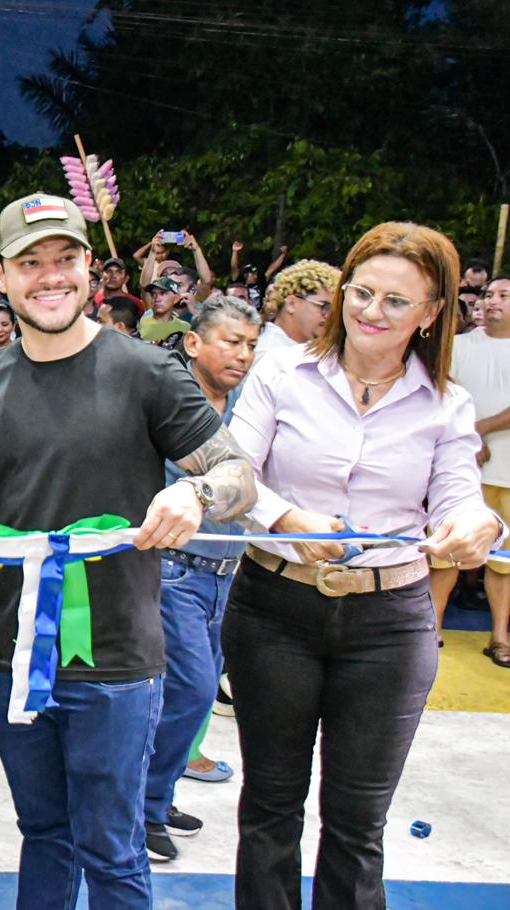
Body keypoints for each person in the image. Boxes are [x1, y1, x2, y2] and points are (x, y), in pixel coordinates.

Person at [0, 192, 256, 910]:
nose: (50, 276)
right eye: (31, 263)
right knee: (44, 833)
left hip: (118, 659)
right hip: (14, 654)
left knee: (112, 848)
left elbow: (236, 473)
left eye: (64, 259)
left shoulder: (147, 371)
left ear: (90, 267)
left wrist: (195, 497)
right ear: (0, 274)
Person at [224, 222, 504, 909]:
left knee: (356, 822)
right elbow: (232, 471)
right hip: (273, 613)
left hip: (390, 626)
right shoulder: (279, 373)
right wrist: (287, 519)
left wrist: (475, 526)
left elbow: (460, 500)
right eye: (361, 293)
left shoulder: (447, 404)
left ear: (433, 313)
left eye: (395, 302)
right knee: (270, 806)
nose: (370, 313)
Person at [143, 295, 261, 864]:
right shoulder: (166, 399)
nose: (243, 355)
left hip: (228, 573)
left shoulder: (251, 405)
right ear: (194, 342)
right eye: (231, 342)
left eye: (251, 345)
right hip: (173, 571)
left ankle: (156, 800)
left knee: (190, 696)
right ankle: (141, 808)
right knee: (188, 691)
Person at [432, 274, 510, 662]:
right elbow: (441, 390)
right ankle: (432, 628)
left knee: (502, 561)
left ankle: (499, 637)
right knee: (445, 550)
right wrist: (465, 438)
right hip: (458, 469)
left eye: (504, 295)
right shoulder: (458, 346)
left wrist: (478, 432)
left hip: (506, 470)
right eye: (489, 294)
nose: (494, 301)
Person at [253, 259, 340, 364]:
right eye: (325, 307)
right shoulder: (269, 355)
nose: (330, 317)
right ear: (292, 304)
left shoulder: (296, 350)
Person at [138, 275, 190, 345]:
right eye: (153, 294)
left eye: (163, 293)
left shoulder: (185, 327)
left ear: (176, 298)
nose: (157, 298)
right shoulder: (142, 323)